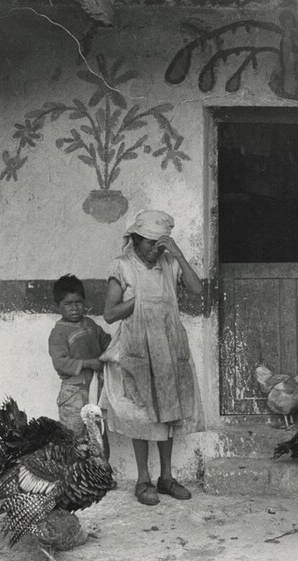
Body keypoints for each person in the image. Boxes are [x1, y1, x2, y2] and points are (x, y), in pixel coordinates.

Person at [100, 209, 204, 506]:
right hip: (136, 349)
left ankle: (167, 478)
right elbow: (109, 314)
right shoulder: (122, 267)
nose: (153, 249)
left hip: (169, 346)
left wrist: (179, 255)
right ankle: (143, 480)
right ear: (135, 239)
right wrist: (140, 301)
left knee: (168, 410)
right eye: (148, 243)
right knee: (140, 414)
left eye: (159, 244)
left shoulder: (170, 264)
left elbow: (196, 289)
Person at [48, 274, 112, 460]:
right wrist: (88, 363)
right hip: (73, 393)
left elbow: (107, 342)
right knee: (73, 437)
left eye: (78, 302)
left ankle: (102, 476)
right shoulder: (58, 333)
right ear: (57, 306)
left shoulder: (90, 325)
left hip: (96, 390)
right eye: (68, 304)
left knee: (99, 434)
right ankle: (73, 480)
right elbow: (60, 363)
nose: (74, 308)